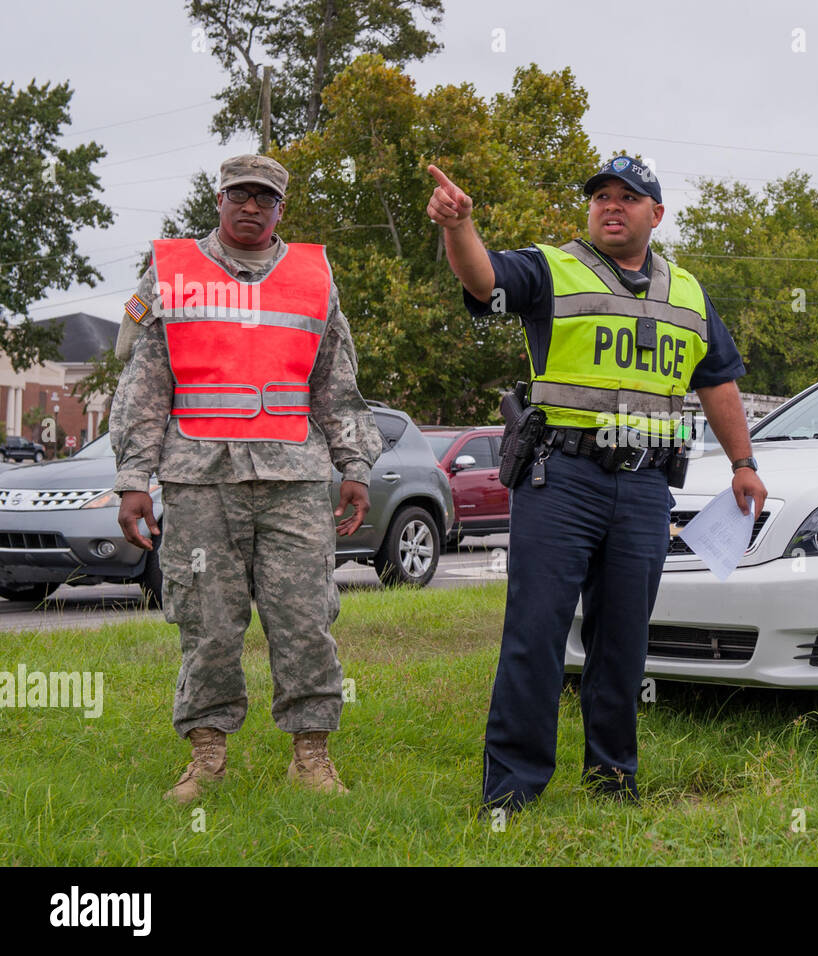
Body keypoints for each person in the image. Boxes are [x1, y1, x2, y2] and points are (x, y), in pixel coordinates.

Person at [426, 155, 768, 814]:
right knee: (536, 634)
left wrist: (743, 462)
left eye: (629, 198)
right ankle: (512, 791)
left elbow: (717, 380)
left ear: (656, 214)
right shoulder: (553, 269)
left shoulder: (690, 294)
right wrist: (458, 227)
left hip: (644, 489)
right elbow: (483, 275)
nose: (612, 206)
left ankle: (614, 779)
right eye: (602, 196)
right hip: (563, 478)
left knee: (623, 643)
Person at [110, 154, 383, 803]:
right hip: (200, 481)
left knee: (305, 618)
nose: (252, 207)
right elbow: (144, 383)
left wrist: (356, 467)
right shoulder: (172, 272)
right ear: (220, 198)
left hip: (294, 480)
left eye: (265, 197)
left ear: (281, 207)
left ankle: (311, 756)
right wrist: (132, 478)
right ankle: (207, 757)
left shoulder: (312, 275)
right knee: (207, 621)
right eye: (241, 194)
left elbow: (337, 385)